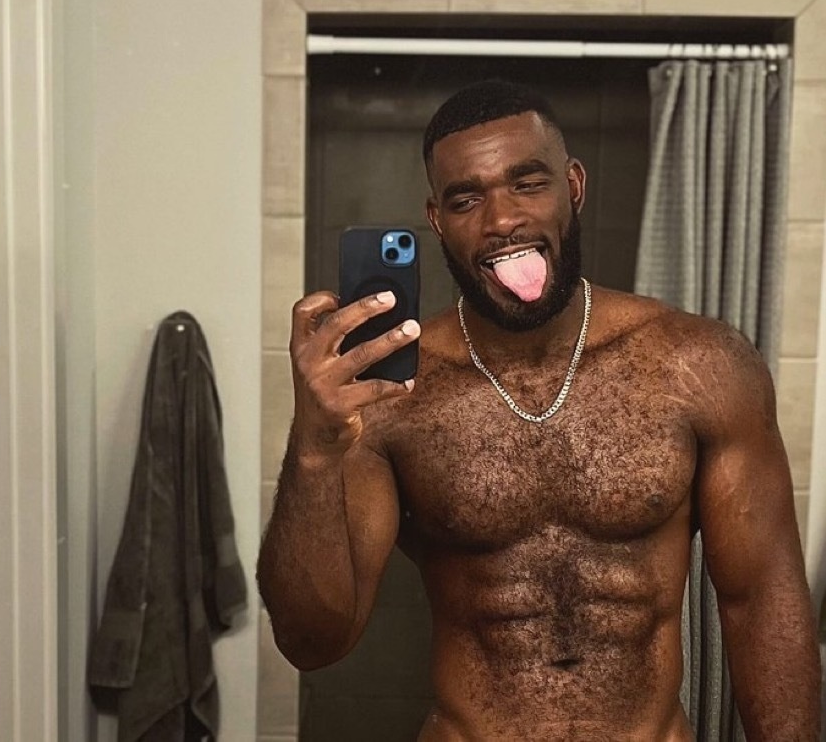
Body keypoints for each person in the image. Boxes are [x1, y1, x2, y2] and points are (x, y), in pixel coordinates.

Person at [256, 79, 821, 741]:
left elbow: (760, 606)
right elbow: (312, 641)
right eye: (467, 199)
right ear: (437, 220)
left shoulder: (697, 364)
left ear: (572, 186)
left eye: (527, 184)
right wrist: (315, 446)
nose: (501, 220)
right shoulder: (390, 396)